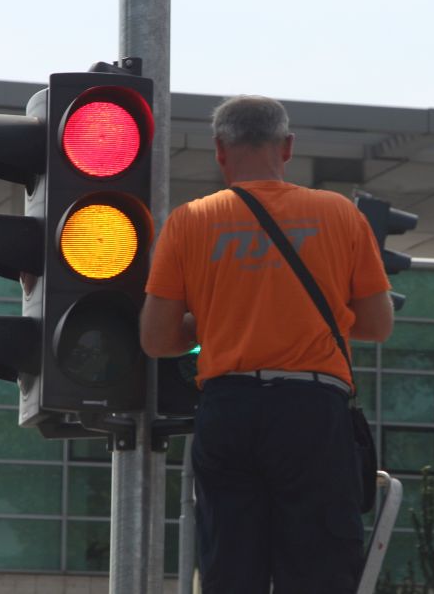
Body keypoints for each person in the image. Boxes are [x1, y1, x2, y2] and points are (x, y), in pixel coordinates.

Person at [140, 95, 393, 594]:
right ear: (288, 146)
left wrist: (213, 319)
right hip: (312, 410)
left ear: (219, 150)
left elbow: (155, 338)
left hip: (228, 408)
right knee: (320, 570)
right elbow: (378, 323)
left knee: (230, 569)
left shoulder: (190, 221)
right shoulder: (338, 215)